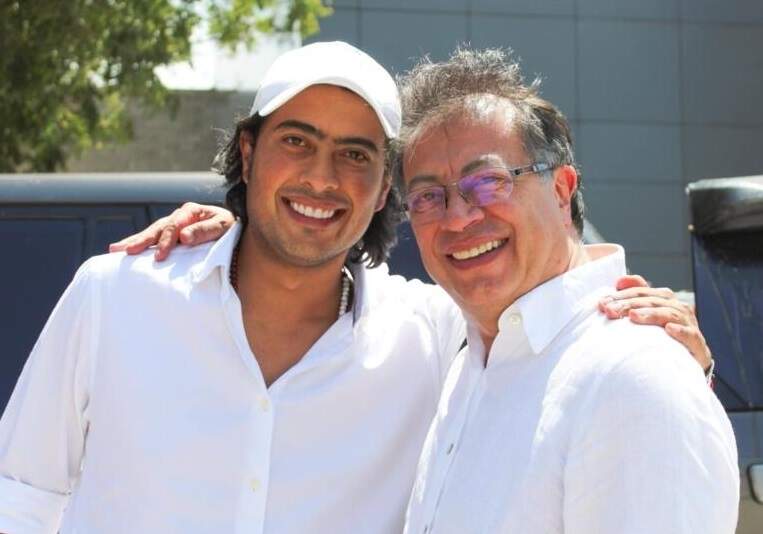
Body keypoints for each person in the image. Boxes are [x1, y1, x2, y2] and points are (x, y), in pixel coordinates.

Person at [0, 42, 711, 533]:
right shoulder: (117, 297)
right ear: (247, 151)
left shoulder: (431, 334)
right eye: (296, 142)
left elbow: (548, 317)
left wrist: (672, 346)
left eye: (354, 155)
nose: (320, 178)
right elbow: (19, 496)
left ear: (380, 192)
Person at [389, 48, 737, 533]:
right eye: (428, 197)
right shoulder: (471, 367)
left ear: (561, 190)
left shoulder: (632, 378)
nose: (458, 217)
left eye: (488, 182)